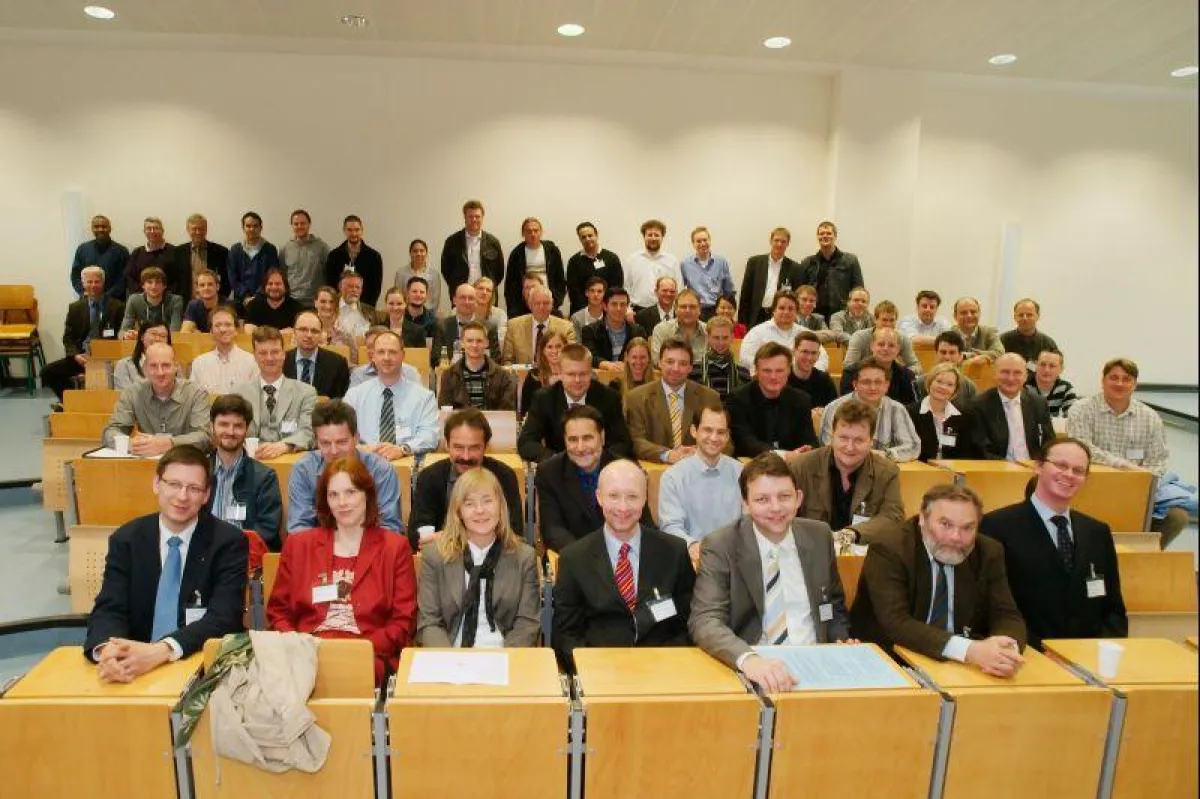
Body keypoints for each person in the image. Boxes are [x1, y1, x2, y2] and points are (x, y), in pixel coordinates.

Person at [84, 445, 248, 681]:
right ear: (156, 484)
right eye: (174, 484)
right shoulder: (126, 539)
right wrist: (109, 652)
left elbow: (223, 617)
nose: (182, 496)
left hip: (199, 664)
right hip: (132, 665)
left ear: (206, 495)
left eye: (193, 488)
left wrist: (161, 651)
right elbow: (110, 607)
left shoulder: (228, 542)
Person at [689, 453, 851, 692]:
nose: (776, 508)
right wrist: (749, 660)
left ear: (798, 498)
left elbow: (832, 605)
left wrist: (840, 642)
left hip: (817, 665)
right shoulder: (721, 545)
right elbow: (705, 621)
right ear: (745, 504)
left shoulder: (819, 536)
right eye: (762, 499)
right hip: (755, 666)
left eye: (784, 497)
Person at [267, 457, 417, 685]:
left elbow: (403, 621)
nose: (342, 502)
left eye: (351, 492)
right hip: (305, 655)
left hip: (367, 655)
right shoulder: (299, 545)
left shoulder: (394, 548)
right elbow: (279, 612)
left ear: (367, 494)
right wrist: (298, 646)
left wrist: (358, 650)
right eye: (333, 495)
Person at [851, 484, 1028, 676]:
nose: (956, 537)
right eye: (945, 524)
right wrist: (970, 650)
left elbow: (1006, 614)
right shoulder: (889, 549)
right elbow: (897, 623)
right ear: (922, 519)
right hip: (891, 660)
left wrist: (1006, 651)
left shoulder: (988, 551)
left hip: (963, 665)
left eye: (968, 528)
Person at [980, 437, 1127, 648]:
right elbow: (990, 606)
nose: (1069, 475)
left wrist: (1102, 651)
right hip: (1026, 653)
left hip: (1089, 658)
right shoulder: (997, 526)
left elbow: (1113, 609)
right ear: (1038, 466)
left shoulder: (1097, 532)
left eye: (1078, 470)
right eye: (1061, 465)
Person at [552, 459, 695, 671]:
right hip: (599, 672)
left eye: (632, 497)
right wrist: (592, 670)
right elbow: (566, 635)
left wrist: (667, 664)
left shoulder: (673, 551)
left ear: (645, 498)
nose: (623, 507)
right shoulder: (574, 559)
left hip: (663, 670)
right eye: (613, 496)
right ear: (599, 497)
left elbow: (689, 622)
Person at [1068, 357, 1195, 545]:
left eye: (1126, 379)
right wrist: (1122, 466)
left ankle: (1141, 560)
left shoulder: (1150, 418)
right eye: (1114, 377)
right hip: (1091, 488)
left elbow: (1158, 461)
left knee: (1178, 516)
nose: (1120, 383)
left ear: (1134, 384)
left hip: (1137, 493)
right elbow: (1081, 449)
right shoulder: (1081, 410)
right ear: (1103, 381)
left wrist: (1139, 482)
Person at [415, 466, 540, 647]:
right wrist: (451, 663)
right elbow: (429, 623)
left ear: (500, 506)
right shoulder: (435, 556)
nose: (480, 510)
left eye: (487, 501)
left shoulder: (524, 557)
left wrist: (505, 661)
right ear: (458, 512)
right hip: (451, 654)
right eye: (469, 504)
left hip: (506, 655)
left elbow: (527, 623)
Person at [535, 406, 652, 554]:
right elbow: (553, 528)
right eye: (572, 439)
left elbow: (644, 523)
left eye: (587, 438)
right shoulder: (549, 472)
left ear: (602, 437)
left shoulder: (628, 471)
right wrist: (586, 557)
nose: (580, 447)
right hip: (576, 556)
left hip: (623, 554)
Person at [792, 399, 907, 547]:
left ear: (871, 441)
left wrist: (850, 534)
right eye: (843, 438)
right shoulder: (801, 466)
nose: (850, 447)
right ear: (832, 436)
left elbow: (893, 518)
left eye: (859, 440)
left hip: (864, 554)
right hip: (810, 550)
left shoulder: (887, 472)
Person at [410, 410, 524, 548]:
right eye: (458, 447)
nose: (466, 456)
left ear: (486, 446)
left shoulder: (504, 476)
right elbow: (418, 535)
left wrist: (450, 537)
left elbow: (514, 533)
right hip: (443, 560)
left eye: (474, 448)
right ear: (447, 444)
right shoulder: (430, 477)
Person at [287, 401, 402, 534]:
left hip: (370, 550)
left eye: (341, 442)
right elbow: (299, 528)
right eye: (325, 443)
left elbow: (389, 528)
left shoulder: (381, 471)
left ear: (356, 438)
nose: (334, 451)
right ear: (316, 442)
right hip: (321, 550)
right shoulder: (304, 470)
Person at [657, 404, 744, 564]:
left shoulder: (741, 473)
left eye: (720, 432)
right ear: (694, 431)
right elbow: (670, 526)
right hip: (692, 560)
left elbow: (749, 521)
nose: (714, 437)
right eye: (707, 430)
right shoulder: (673, 477)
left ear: (727, 436)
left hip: (736, 560)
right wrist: (693, 546)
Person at [518, 343, 631, 462]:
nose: (577, 380)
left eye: (583, 374)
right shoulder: (544, 399)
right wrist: (560, 461)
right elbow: (526, 442)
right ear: (560, 373)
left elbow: (623, 443)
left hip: (599, 468)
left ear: (591, 372)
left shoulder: (609, 397)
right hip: (559, 471)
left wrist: (595, 461)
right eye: (571, 374)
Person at [204, 394, 283, 550]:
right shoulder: (199, 472)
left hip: (246, 556)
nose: (230, 431)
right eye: (223, 424)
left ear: (247, 428)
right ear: (212, 426)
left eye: (238, 426)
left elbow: (267, 529)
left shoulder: (265, 477)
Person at [344, 330, 441, 458]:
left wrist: (402, 450)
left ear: (403, 355)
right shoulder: (354, 396)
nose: (386, 357)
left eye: (392, 352)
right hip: (364, 462)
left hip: (406, 461)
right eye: (381, 352)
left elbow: (430, 436)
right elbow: (341, 433)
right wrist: (360, 449)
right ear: (372, 356)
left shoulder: (424, 397)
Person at [625, 338, 723, 463]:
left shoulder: (709, 397)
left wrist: (702, 451)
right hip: (655, 469)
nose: (676, 369)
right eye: (670, 362)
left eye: (682, 363)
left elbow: (726, 440)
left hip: (698, 468)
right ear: (659, 363)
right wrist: (668, 455)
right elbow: (636, 441)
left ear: (690, 368)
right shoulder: (636, 397)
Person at [103, 343, 210, 454]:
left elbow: (204, 437)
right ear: (145, 369)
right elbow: (111, 431)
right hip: (145, 462)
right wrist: (130, 444)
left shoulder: (196, 393)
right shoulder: (132, 393)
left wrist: (168, 444)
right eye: (153, 366)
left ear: (176, 367)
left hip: (185, 463)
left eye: (166, 365)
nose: (160, 372)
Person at [233, 326, 318, 459]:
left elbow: (309, 432)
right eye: (262, 353)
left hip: (290, 463)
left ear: (284, 354)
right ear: (254, 356)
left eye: (275, 352)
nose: (269, 358)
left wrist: (285, 446)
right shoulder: (239, 394)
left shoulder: (306, 393)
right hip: (250, 463)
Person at [42, 264, 123, 400]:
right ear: (83, 283)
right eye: (89, 282)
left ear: (103, 283)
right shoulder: (75, 308)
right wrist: (76, 355)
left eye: (97, 281)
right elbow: (68, 338)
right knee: (47, 372)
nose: (93, 285)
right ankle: (71, 400)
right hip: (81, 358)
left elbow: (120, 336)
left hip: (108, 359)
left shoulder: (117, 306)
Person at [819, 358, 921, 462]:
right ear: (855, 385)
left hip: (883, 471)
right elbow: (829, 447)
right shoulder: (835, 408)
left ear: (886, 386)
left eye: (878, 382)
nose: (873, 387)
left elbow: (913, 446)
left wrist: (885, 455)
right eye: (866, 382)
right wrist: (865, 456)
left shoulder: (897, 409)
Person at [728, 342, 819, 458]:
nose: (773, 377)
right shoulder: (738, 398)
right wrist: (784, 455)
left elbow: (810, 440)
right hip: (751, 464)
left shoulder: (801, 399)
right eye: (767, 371)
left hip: (794, 466)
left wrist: (806, 450)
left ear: (789, 371)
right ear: (756, 371)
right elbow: (745, 442)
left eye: (779, 371)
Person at [970, 353, 1055, 461]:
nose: (1011, 378)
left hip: (1034, 469)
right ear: (995, 374)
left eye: (1017, 373)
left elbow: (1049, 443)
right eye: (1005, 372)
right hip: (997, 469)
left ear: (1025, 376)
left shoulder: (1038, 403)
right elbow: (980, 450)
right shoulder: (978, 405)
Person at [738, 291, 830, 374]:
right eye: (781, 308)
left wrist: (807, 373)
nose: (786, 312)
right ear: (774, 310)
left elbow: (823, 359)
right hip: (767, 381)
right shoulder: (757, 332)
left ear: (796, 312)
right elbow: (746, 358)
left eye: (791, 309)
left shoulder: (806, 334)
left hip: (801, 383)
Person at [438, 321, 516, 410]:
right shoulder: (449, 375)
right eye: (469, 341)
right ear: (462, 343)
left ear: (486, 343)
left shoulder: (502, 376)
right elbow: (445, 411)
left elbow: (506, 412)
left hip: (492, 423)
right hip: (460, 423)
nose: (474, 345)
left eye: (479, 341)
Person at [797, 220, 864, 321]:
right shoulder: (807, 262)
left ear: (835, 236)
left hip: (842, 315)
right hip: (814, 315)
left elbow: (858, 289)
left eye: (828, 233)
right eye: (821, 233)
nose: (825, 236)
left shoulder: (850, 261)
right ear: (817, 237)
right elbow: (800, 291)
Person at [907, 363, 974, 461]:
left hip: (952, 472)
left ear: (955, 390)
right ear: (930, 382)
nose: (943, 387)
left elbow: (965, 453)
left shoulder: (962, 417)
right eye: (939, 381)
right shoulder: (910, 412)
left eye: (950, 384)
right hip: (920, 471)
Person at [738, 227, 802, 328]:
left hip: (780, 316)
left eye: (783, 241)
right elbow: (745, 294)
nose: (779, 244)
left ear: (788, 244)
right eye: (776, 240)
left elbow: (796, 298)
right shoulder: (754, 263)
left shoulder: (795, 268)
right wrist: (742, 321)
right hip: (756, 316)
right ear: (771, 241)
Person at [441, 199, 504, 299]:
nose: (474, 219)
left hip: (486, 295)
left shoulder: (493, 242)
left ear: (482, 217)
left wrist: (487, 287)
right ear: (465, 218)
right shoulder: (452, 241)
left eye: (477, 216)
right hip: (462, 295)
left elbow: (499, 272)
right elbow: (446, 270)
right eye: (470, 216)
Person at [504, 216, 567, 316]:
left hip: (548, 301)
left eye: (536, 230)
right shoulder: (516, 254)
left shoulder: (552, 251)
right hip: (524, 305)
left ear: (541, 232)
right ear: (523, 234)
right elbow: (510, 284)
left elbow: (560, 278)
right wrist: (514, 308)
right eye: (529, 231)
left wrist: (556, 300)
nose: (533, 234)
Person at [187, 307, 257, 394]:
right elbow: (193, 398)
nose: (223, 329)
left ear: (236, 330)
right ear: (211, 332)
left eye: (228, 325)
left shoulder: (251, 361)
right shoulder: (199, 363)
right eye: (217, 325)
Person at [840, 327, 920, 404]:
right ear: (872, 346)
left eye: (891, 345)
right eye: (881, 344)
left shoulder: (907, 376)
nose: (886, 348)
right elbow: (846, 406)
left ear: (898, 349)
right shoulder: (851, 373)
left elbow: (911, 408)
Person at [283, 310, 351, 399]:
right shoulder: (281, 361)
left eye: (314, 331)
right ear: (294, 332)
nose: (309, 335)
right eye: (303, 329)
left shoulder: (337, 364)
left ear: (321, 334)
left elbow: (339, 403)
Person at [502, 284, 575, 365]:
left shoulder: (566, 328)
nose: (541, 307)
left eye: (546, 303)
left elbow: (570, 359)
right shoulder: (514, 326)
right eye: (537, 303)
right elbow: (507, 361)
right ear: (530, 305)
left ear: (552, 305)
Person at [843, 300, 921, 374]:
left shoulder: (903, 339)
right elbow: (848, 366)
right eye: (884, 320)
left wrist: (899, 369)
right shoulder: (859, 337)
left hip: (894, 379)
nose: (888, 324)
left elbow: (916, 367)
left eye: (892, 320)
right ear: (875, 320)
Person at [566, 221, 623, 314]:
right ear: (580, 239)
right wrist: (588, 310)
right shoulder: (574, 261)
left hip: (608, 310)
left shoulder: (612, 258)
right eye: (583, 237)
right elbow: (573, 290)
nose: (587, 239)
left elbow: (617, 286)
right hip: (582, 311)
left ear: (597, 235)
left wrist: (605, 307)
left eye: (590, 235)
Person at [325, 214, 383, 306]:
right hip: (339, 307)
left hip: (365, 307)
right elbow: (330, 284)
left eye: (357, 230)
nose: (353, 233)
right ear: (344, 231)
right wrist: (338, 304)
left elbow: (375, 288)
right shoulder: (334, 256)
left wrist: (364, 307)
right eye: (349, 230)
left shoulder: (374, 257)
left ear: (362, 230)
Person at [624, 219, 682, 311]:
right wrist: (627, 310)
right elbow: (626, 287)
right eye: (650, 235)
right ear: (644, 237)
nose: (653, 238)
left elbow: (679, 288)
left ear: (662, 237)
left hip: (665, 311)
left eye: (657, 235)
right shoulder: (632, 260)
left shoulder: (672, 261)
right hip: (637, 310)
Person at [438, 282, 501, 364]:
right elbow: (436, 359)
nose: (466, 302)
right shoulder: (442, 326)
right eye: (462, 298)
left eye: (471, 298)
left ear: (476, 301)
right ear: (454, 300)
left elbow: (496, 360)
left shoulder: (489, 328)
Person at [169, 214, 229, 300]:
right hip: (186, 304)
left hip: (213, 303)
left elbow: (226, 281)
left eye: (201, 229)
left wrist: (219, 299)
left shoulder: (221, 252)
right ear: (188, 230)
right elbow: (173, 280)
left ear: (206, 229)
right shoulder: (178, 252)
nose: (198, 232)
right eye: (194, 229)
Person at [680, 226, 735, 319]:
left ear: (710, 241)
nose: (702, 243)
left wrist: (728, 310)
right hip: (696, 310)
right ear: (693, 244)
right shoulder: (685, 264)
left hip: (717, 311)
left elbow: (729, 289)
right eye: (698, 241)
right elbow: (682, 290)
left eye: (705, 240)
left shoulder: (721, 262)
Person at [70, 214, 130, 299]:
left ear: (110, 228)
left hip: (114, 302)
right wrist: (83, 292)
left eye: (104, 226)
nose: (100, 229)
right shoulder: (82, 249)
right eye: (96, 227)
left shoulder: (121, 251)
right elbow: (75, 275)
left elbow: (124, 278)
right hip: (88, 301)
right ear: (92, 229)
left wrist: (106, 296)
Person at [690, 315, 748, 399]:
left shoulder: (743, 374)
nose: (721, 343)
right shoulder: (694, 372)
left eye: (725, 338)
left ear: (732, 338)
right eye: (716, 338)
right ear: (708, 338)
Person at [227, 211, 280, 304]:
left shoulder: (270, 249)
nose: (252, 229)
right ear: (243, 228)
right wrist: (246, 295)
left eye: (255, 226)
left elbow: (272, 276)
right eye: (248, 226)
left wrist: (258, 296)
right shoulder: (235, 250)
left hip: (264, 300)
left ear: (261, 228)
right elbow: (232, 277)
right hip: (241, 300)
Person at [279, 209, 330, 306]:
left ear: (309, 224)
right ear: (292, 226)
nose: (299, 226)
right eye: (296, 224)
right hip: (291, 302)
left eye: (303, 223)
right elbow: (283, 276)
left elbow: (328, 273)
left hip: (315, 302)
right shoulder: (285, 249)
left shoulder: (322, 247)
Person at [350, 325, 423, 389]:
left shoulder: (410, 373)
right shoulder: (358, 374)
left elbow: (420, 400)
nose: (372, 351)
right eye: (369, 347)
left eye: (377, 346)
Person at [120, 266, 183, 336]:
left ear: (164, 286)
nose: (154, 286)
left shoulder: (175, 301)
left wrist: (143, 335)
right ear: (143, 285)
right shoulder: (133, 300)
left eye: (158, 282)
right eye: (149, 282)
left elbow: (175, 333)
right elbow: (122, 332)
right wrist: (127, 335)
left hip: (166, 344)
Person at [122, 217, 176, 300]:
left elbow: (178, 278)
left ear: (162, 231)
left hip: (168, 300)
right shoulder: (137, 252)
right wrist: (142, 295)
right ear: (144, 232)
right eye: (149, 229)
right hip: (141, 301)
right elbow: (129, 277)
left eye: (156, 228)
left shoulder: (174, 251)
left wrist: (164, 295)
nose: (152, 231)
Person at [649, 289, 707, 365]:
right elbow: (657, 362)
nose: (687, 311)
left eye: (692, 307)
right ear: (675, 309)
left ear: (699, 309)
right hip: (672, 375)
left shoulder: (708, 330)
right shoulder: (661, 330)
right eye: (683, 307)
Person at [518, 329, 568, 415]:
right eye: (549, 347)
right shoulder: (534, 376)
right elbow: (526, 410)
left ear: (566, 348)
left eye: (558, 346)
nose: (554, 351)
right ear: (543, 350)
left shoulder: (574, 373)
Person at [112, 321, 172, 391]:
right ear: (142, 337)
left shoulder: (174, 365)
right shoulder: (124, 365)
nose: (158, 339)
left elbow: (181, 394)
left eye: (163, 336)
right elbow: (125, 397)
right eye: (154, 334)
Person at [241, 268, 302, 335]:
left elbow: (299, 331)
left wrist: (260, 332)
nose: (274, 287)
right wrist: (280, 333)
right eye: (270, 284)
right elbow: (248, 329)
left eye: (278, 284)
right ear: (264, 287)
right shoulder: (253, 305)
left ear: (286, 287)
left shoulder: (296, 308)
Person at [1000, 298, 1058, 368]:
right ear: (1015, 317)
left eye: (1029, 315)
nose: (1025, 318)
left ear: (1037, 316)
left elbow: (1054, 371)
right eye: (1021, 315)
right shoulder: (1002, 340)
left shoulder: (1048, 344)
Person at [787, 330, 838, 408]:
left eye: (813, 353)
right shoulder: (782, 378)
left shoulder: (824, 380)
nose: (809, 358)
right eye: (805, 352)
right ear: (794, 351)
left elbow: (833, 412)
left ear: (818, 355)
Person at [393, 239, 443, 316]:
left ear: (426, 253)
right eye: (415, 251)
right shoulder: (401, 273)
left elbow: (435, 300)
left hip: (427, 315)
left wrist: (426, 314)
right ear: (410, 253)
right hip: (405, 314)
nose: (418, 254)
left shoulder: (434, 274)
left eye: (422, 251)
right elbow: (398, 296)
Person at [928, 331, 979, 406]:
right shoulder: (920, 384)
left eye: (952, 353)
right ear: (936, 354)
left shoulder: (970, 388)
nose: (947, 357)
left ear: (960, 356)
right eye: (943, 352)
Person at [951, 297, 1004, 365]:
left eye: (973, 312)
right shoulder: (949, 334)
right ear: (955, 316)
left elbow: (999, 353)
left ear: (979, 314)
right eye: (964, 313)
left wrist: (968, 355)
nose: (969, 315)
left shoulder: (989, 332)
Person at [1026, 349, 1077, 418]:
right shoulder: (1025, 387)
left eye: (1052, 366)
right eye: (1043, 364)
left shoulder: (1066, 388)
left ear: (1061, 369)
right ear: (1036, 365)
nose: (1046, 370)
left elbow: (1073, 418)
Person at [570, 275, 608, 341]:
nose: (596, 294)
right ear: (586, 293)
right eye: (592, 291)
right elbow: (577, 346)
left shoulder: (610, 316)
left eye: (599, 291)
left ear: (604, 294)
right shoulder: (576, 318)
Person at [402, 275, 439, 341]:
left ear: (427, 296)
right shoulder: (398, 317)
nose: (418, 295)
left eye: (422, 292)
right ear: (407, 294)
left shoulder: (433, 322)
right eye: (414, 291)